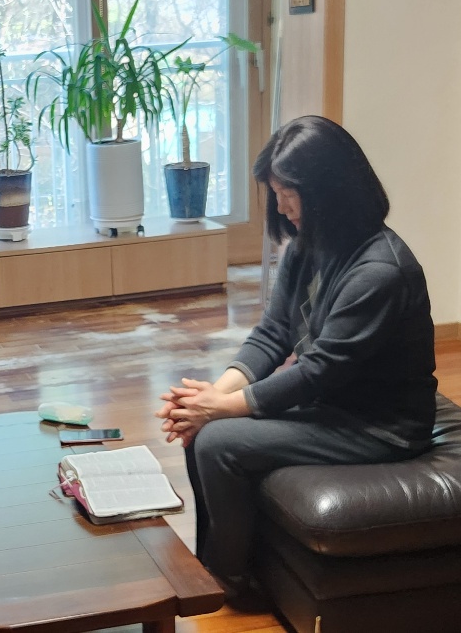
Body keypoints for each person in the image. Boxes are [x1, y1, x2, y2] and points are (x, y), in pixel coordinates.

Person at [156, 115, 438, 600]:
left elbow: (318, 371)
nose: (282, 207)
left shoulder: (380, 272)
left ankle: (230, 579)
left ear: (331, 191)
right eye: (276, 193)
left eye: (289, 193)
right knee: (201, 427)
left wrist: (220, 409)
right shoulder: (307, 248)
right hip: (329, 405)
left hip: (377, 426)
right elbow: (272, 335)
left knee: (218, 440)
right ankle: (214, 562)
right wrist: (209, 399)